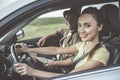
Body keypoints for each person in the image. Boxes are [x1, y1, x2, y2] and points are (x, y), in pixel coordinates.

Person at [15, 7, 110, 78]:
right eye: (79, 25)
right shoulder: (82, 45)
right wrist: (28, 49)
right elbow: (56, 50)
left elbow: (70, 77)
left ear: (100, 27)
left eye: (87, 25)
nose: (81, 30)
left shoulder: (101, 53)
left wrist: (33, 72)